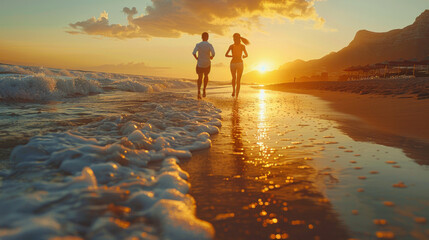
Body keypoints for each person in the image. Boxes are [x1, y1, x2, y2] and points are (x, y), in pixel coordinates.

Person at [225, 33, 249, 97]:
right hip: (238, 63)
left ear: (237, 38)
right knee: (237, 79)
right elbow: (246, 55)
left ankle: (235, 92)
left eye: (234, 38)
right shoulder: (240, 46)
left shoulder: (233, 46)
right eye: (233, 38)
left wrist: (232, 56)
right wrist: (243, 56)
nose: (234, 39)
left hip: (234, 63)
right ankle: (235, 94)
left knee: (235, 79)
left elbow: (226, 55)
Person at [192, 32, 215, 99]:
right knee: (206, 76)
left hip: (200, 63)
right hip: (207, 63)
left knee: (199, 77)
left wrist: (196, 58)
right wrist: (211, 57)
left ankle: (199, 91)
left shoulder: (198, 44)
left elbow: (193, 53)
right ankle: (204, 89)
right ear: (207, 37)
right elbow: (213, 53)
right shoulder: (209, 45)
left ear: (202, 37)